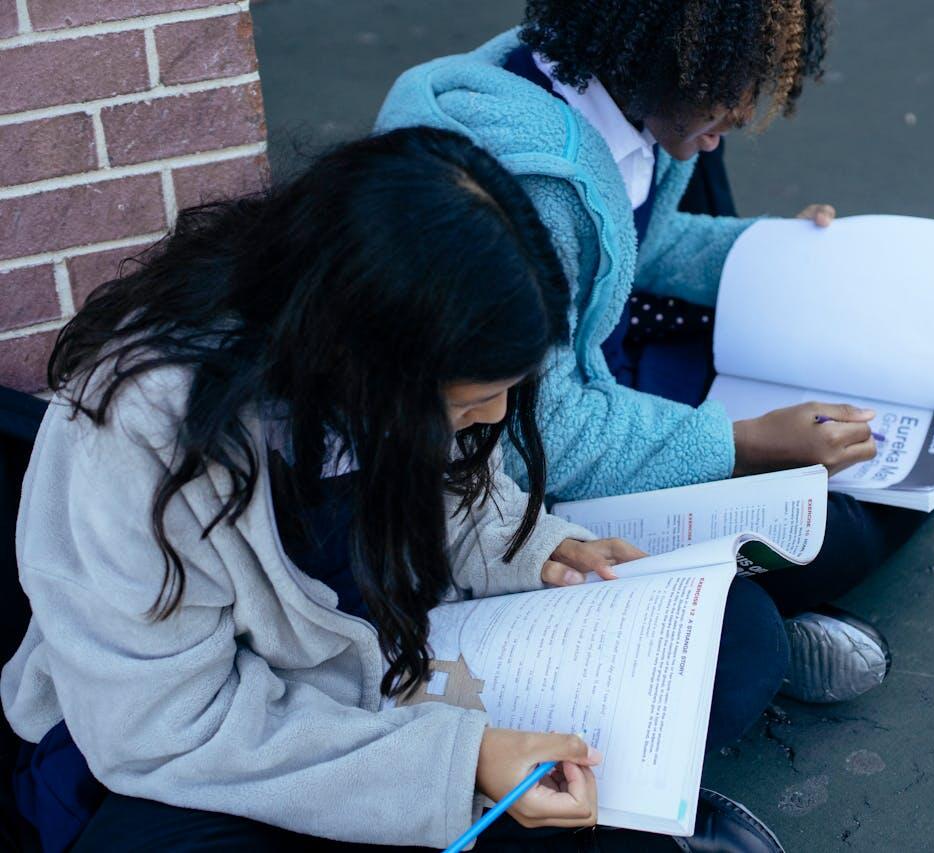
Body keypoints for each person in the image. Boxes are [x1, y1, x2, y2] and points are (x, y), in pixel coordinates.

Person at [1, 128, 787, 852]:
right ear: (364, 363)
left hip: (402, 652)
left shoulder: (393, 350)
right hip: (225, 739)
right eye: (470, 400)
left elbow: (462, 500)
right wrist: (456, 764)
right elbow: (168, 726)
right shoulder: (140, 432)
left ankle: (593, 809)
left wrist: (531, 548)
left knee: (739, 639)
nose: (495, 418)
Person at [375, 0, 934, 706]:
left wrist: (769, 251)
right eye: (727, 89)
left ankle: (932, 447)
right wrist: (744, 445)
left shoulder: (609, 87)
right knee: (824, 528)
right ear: (659, 52)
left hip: (604, 367)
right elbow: (533, 435)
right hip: (541, 457)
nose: (739, 116)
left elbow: (634, 242)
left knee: (813, 381)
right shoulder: (539, 186)